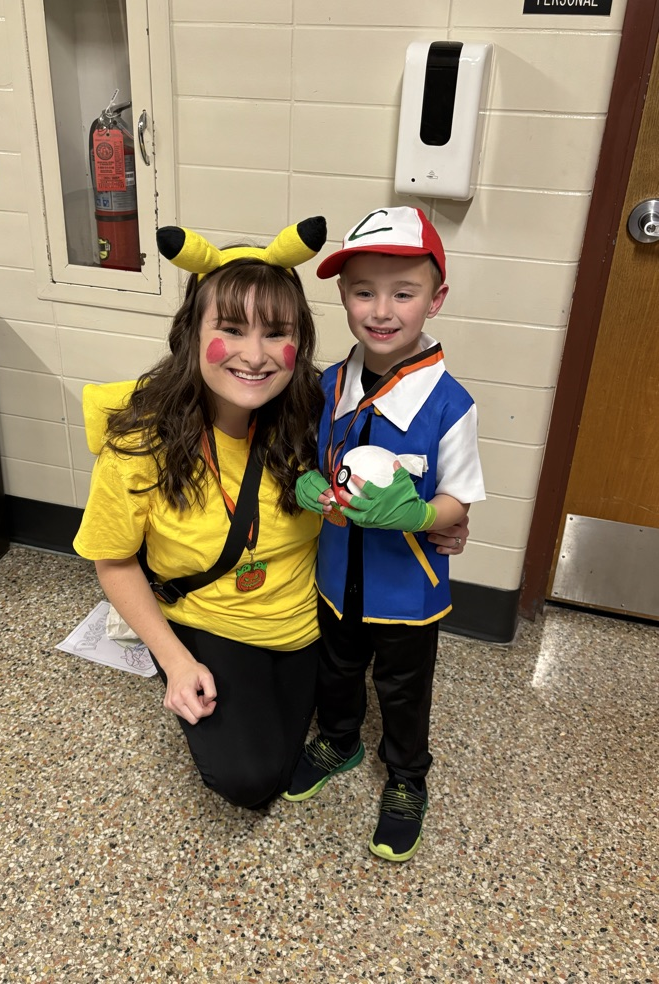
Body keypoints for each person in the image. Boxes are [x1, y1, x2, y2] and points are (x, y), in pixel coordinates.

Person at [74, 215, 471, 812]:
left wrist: (442, 517)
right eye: (230, 329)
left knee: (330, 720)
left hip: (313, 618)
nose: (254, 357)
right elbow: (115, 561)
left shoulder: (319, 407)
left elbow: (402, 471)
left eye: (276, 333)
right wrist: (177, 664)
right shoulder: (140, 443)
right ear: (190, 332)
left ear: (299, 341)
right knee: (251, 779)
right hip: (215, 619)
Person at [282, 207, 485, 862]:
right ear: (342, 295)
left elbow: (459, 501)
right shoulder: (328, 385)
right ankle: (339, 741)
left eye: (404, 292)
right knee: (336, 667)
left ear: (436, 299)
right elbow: (313, 465)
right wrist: (307, 486)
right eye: (364, 291)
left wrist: (422, 516)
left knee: (402, 686)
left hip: (408, 590)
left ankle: (405, 779)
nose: (382, 309)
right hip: (337, 574)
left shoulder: (450, 404)